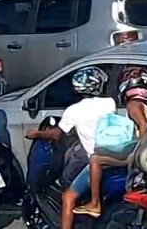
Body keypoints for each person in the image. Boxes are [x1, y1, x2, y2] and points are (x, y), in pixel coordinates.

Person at [25, 67, 114, 229]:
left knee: (68, 197)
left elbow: (57, 134)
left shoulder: (74, 111)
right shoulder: (109, 103)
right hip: (114, 157)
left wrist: (36, 134)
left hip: (95, 162)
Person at [75, 66, 147, 218]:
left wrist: (135, 156)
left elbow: (145, 127)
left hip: (140, 156)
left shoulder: (133, 104)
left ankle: (95, 203)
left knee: (95, 159)